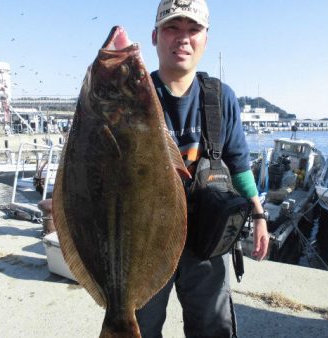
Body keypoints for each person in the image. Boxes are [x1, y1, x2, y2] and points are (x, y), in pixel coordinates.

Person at [136, 1, 270, 337]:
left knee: (213, 327)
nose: (183, 38)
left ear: (205, 40)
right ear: (155, 37)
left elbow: (238, 163)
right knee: (137, 327)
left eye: (193, 30)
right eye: (172, 28)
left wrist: (259, 215)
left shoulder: (221, 97)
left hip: (207, 237)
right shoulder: (133, 96)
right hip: (144, 241)